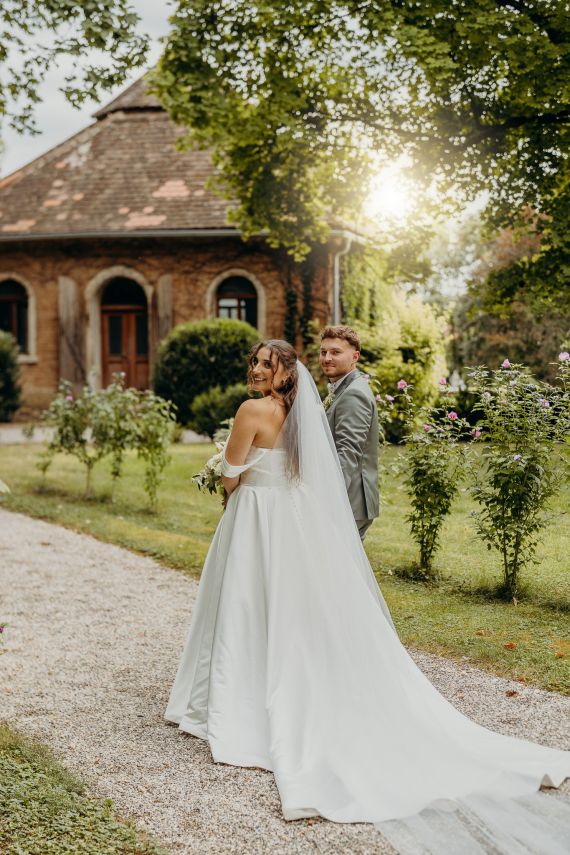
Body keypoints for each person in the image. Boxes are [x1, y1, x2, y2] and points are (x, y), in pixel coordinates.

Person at [165, 339, 569, 849]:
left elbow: (230, 475)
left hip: (256, 520)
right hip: (290, 526)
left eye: (264, 364)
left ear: (284, 372)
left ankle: (239, 697)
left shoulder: (252, 409)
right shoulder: (301, 410)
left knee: (247, 605)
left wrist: (224, 475)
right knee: (288, 611)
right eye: (253, 363)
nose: (255, 370)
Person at [320, 325, 379, 539]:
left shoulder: (354, 394)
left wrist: (328, 501)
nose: (327, 358)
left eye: (335, 352)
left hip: (349, 501)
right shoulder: (344, 388)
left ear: (354, 356)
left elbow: (348, 453)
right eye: (323, 351)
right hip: (348, 498)